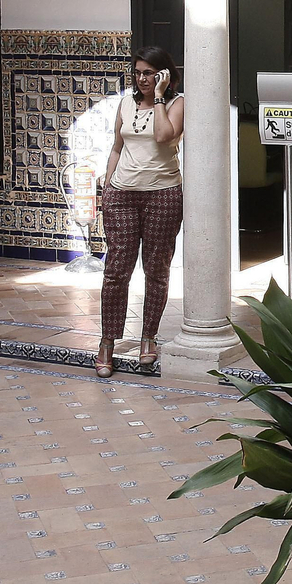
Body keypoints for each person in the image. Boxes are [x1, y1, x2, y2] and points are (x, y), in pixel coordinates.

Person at [96, 47, 185, 376]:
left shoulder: (177, 104)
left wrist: (160, 96)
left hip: (163, 195)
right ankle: (107, 341)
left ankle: (149, 337)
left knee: (156, 270)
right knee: (116, 270)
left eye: (149, 73)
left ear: (164, 74)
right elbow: (117, 148)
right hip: (122, 195)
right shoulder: (125, 103)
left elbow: (163, 136)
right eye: (138, 73)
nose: (142, 79)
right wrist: (108, 187)